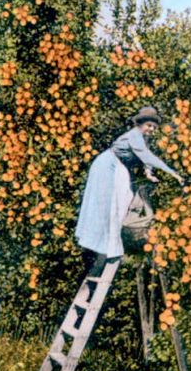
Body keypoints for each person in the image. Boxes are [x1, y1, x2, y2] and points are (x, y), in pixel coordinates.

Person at [75, 106, 183, 259]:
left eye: (154, 127)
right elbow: (147, 156)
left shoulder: (142, 138)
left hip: (116, 166)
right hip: (107, 166)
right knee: (112, 202)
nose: (151, 129)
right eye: (148, 125)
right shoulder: (135, 135)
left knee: (121, 200)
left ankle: (109, 243)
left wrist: (149, 173)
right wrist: (172, 172)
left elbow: (145, 159)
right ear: (140, 124)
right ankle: (106, 243)